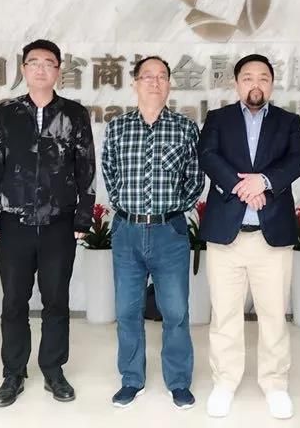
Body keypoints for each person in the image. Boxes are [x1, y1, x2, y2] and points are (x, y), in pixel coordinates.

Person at [0, 39, 96, 407]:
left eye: (49, 63)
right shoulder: (7, 113)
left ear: (59, 70)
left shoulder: (74, 114)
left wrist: (83, 216)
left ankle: (53, 369)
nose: (41, 68)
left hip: (59, 224)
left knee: (56, 300)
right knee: (14, 301)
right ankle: (13, 373)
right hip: (13, 224)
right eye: (34, 62)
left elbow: (86, 167)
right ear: (24, 69)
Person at [198, 54, 300, 419]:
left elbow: (298, 160)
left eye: (263, 77)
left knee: (274, 315)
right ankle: (225, 382)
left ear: (272, 84)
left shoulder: (288, 121)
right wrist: (242, 187)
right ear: (236, 83)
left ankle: (275, 384)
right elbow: (208, 156)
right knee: (225, 314)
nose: (255, 84)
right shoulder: (218, 119)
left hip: (270, 235)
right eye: (247, 77)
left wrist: (264, 181)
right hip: (226, 236)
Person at [101, 56, 204, 410]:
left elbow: (195, 178)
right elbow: (109, 173)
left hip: (169, 231)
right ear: (135, 83)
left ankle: (179, 382)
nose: (155, 82)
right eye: (148, 76)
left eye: (162, 76)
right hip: (127, 230)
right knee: (127, 310)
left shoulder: (185, 128)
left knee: (175, 311)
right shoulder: (117, 127)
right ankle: (131, 379)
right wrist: (128, 208)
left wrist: (171, 210)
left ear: (169, 84)